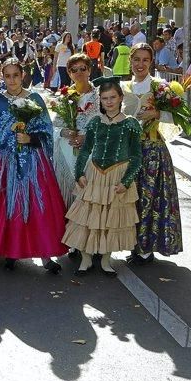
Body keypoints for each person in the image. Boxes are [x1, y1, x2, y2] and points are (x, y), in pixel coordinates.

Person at [0, 58, 66, 273]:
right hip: (5, 163)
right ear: (2, 77)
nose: (12, 80)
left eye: (15, 75)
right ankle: (11, 252)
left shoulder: (34, 99)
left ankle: (45, 255)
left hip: (33, 161)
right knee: (9, 207)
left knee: (37, 207)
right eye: (7, 76)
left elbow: (46, 130)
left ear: (23, 75)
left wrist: (31, 139)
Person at [62, 81, 142, 275]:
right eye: (105, 98)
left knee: (111, 219)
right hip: (94, 174)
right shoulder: (95, 122)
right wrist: (79, 173)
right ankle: (86, 258)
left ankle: (106, 260)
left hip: (117, 175)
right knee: (86, 217)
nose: (109, 102)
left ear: (121, 97)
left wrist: (126, 181)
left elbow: (136, 156)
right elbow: (85, 150)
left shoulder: (130, 123)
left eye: (113, 97)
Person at [121, 43, 183, 263]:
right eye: (136, 59)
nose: (140, 64)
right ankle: (129, 243)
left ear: (151, 62)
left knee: (151, 198)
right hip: (128, 151)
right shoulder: (123, 86)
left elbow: (177, 118)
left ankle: (145, 248)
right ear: (130, 61)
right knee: (129, 199)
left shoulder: (160, 86)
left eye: (145, 60)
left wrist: (157, 113)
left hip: (153, 151)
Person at [51, 53, 100, 206]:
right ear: (69, 73)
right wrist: (65, 132)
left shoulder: (100, 95)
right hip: (67, 149)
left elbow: (107, 122)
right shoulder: (64, 96)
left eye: (82, 69)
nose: (78, 73)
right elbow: (55, 123)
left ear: (90, 71)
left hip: (93, 151)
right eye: (74, 70)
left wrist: (87, 137)